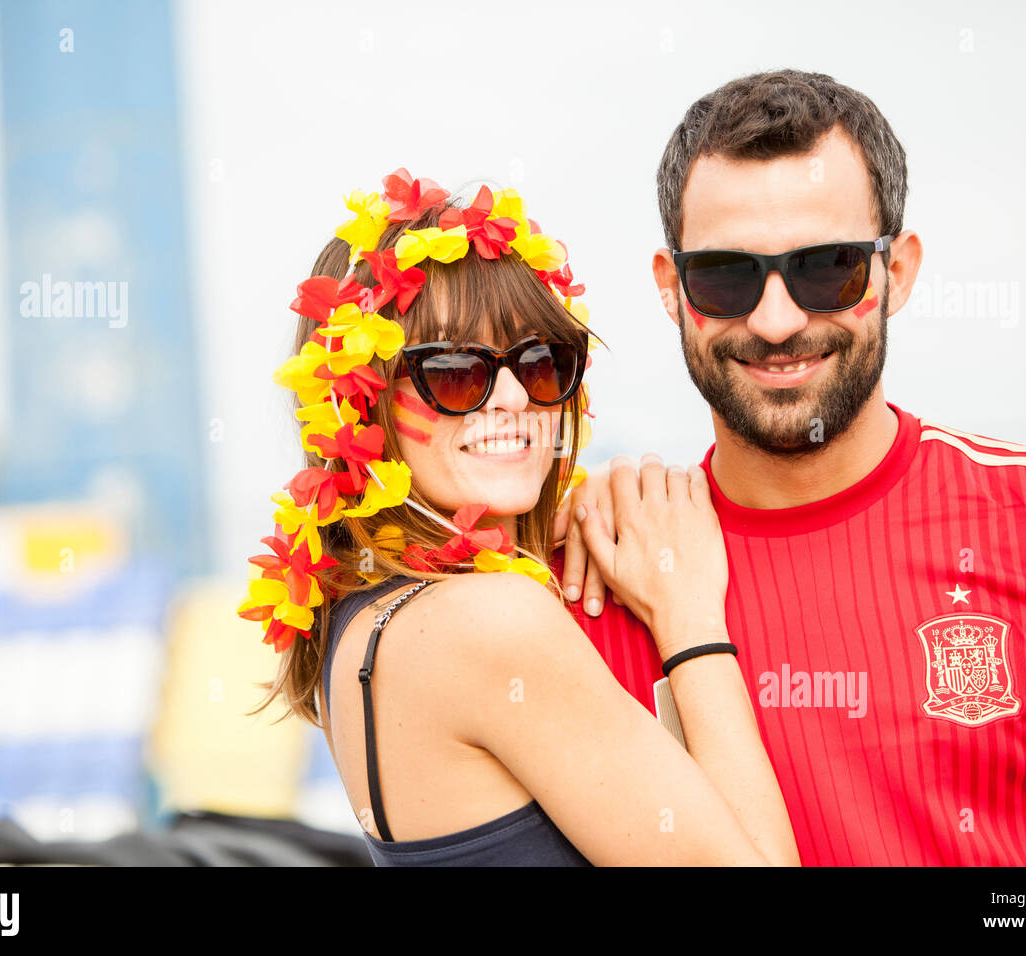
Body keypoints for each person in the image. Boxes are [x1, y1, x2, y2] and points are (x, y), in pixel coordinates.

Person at [558, 69, 1026, 866]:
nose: (776, 322)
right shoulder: (593, 578)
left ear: (898, 272)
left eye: (828, 268)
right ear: (672, 291)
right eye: (724, 276)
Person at [238, 169, 799, 866]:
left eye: (540, 361)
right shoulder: (491, 621)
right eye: (452, 371)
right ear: (363, 402)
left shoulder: (363, 618)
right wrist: (690, 619)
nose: (510, 397)